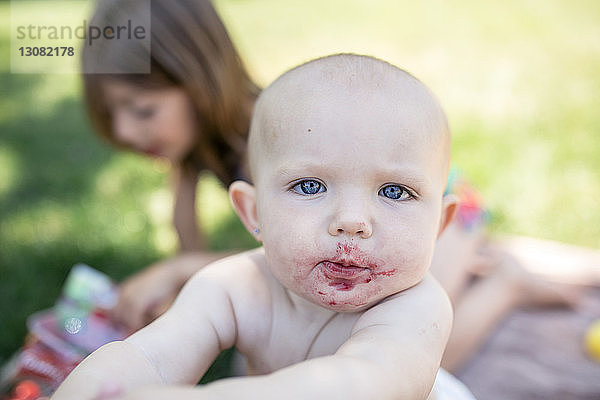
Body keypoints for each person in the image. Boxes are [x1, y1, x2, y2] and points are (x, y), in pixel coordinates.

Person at [52, 54, 476, 400]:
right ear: (252, 213)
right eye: (310, 185)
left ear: (439, 223)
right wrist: (96, 389)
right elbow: (151, 357)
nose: (352, 221)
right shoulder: (236, 285)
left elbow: (359, 382)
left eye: (395, 192)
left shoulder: (415, 307)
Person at [81, 0, 259, 331]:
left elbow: (298, 269)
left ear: (200, 83)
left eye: (143, 110)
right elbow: (184, 229)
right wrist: (180, 289)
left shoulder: (266, 144)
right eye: (113, 112)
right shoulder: (200, 139)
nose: (123, 131)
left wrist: (180, 270)